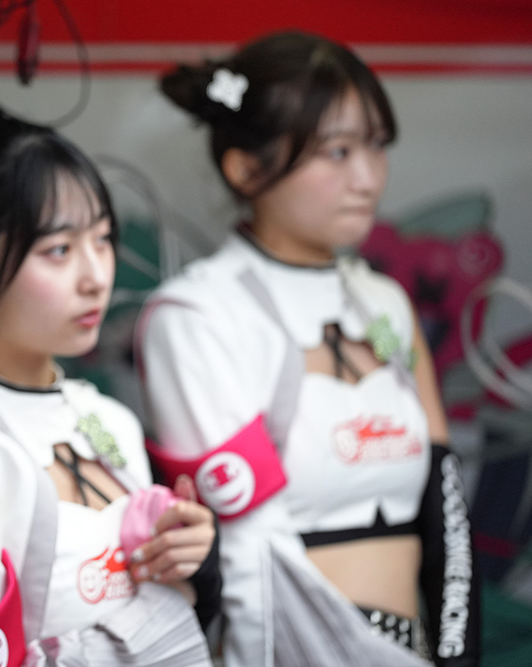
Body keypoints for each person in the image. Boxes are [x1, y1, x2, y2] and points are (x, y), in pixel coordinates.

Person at [136, 31, 480, 667]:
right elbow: (247, 552)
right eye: (338, 151)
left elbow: (445, 500)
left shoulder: (384, 301)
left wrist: (457, 653)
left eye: (376, 145)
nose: (367, 177)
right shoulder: (198, 314)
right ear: (245, 167)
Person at [0, 97, 221, 666]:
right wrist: (170, 607)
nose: (96, 276)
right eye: (59, 250)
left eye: (102, 239)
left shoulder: (107, 417)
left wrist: (196, 558)